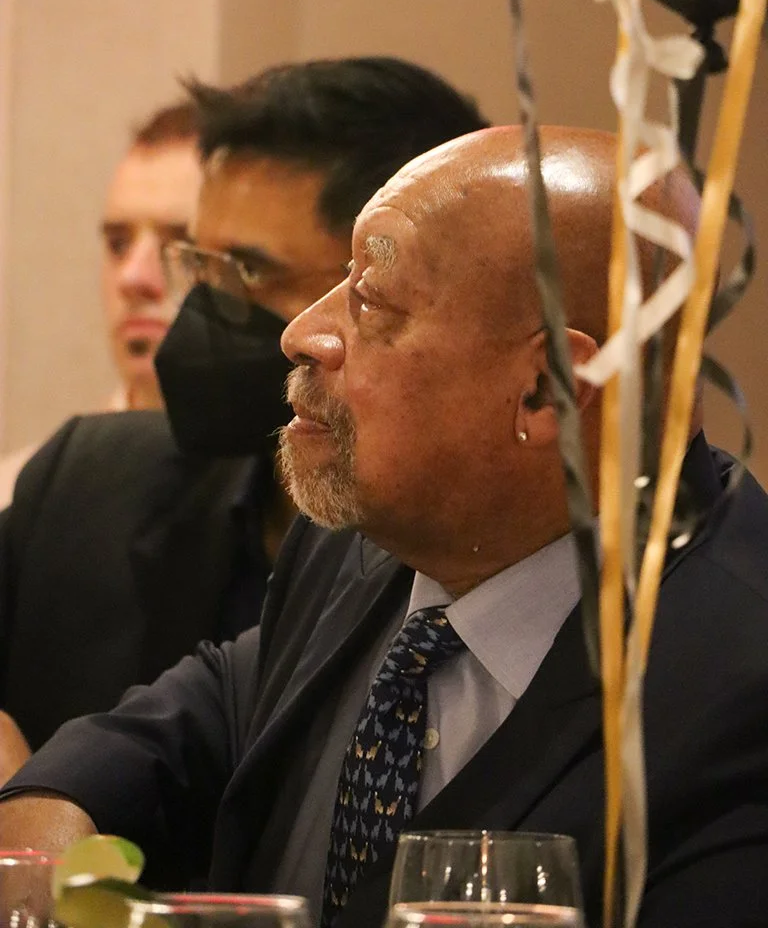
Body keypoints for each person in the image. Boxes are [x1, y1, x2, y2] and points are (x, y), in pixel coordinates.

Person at [4, 125, 766, 928]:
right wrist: (51, 808)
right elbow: (218, 706)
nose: (301, 332)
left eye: (370, 301)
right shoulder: (366, 539)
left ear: (548, 390)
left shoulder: (736, 695)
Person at [0, 57, 489, 767]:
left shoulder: (463, 564)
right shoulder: (83, 488)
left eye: (251, 272)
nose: (205, 310)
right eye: (201, 267)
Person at [0, 101, 201, 507]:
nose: (132, 278)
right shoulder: (21, 498)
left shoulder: (287, 515)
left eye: (180, 246)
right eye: (118, 244)